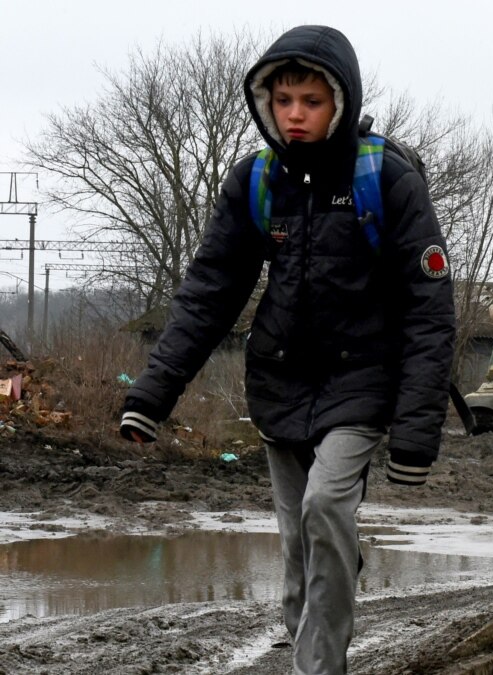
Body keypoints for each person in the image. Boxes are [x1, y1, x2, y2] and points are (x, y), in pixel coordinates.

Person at [119, 25, 454, 675]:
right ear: (266, 103)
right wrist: (151, 395)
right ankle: (311, 611)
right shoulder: (257, 181)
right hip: (278, 382)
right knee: (303, 537)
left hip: (362, 381)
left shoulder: (385, 179)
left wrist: (416, 431)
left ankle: (317, 666)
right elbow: (208, 294)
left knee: (326, 504)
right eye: (283, 100)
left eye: (311, 100)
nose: (294, 113)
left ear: (342, 102)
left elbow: (430, 309)